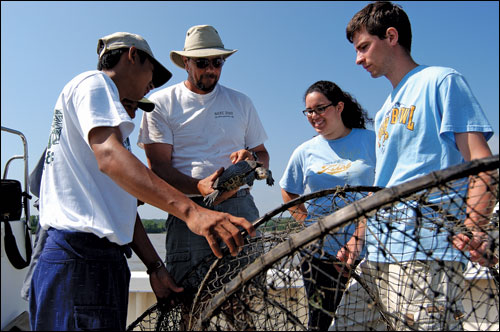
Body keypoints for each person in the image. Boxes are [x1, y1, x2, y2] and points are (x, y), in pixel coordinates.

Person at [29, 31, 255, 331]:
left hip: (103, 259)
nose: (152, 85)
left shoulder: (116, 142)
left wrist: (155, 266)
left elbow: (121, 207)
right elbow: (110, 157)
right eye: (152, 73)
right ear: (132, 56)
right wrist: (193, 211)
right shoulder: (93, 83)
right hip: (79, 256)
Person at [330, 2, 497, 330]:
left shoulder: (441, 81)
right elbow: (384, 185)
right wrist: (358, 238)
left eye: (364, 47)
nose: (358, 59)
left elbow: (481, 163)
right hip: (377, 252)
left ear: (391, 36)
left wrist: (475, 228)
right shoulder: (382, 111)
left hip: (425, 250)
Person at [137, 24, 270, 302]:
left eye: (217, 62)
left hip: (240, 205)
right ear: (186, 62)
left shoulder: (241, 102)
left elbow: (262, 154)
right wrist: (199, 187)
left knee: (247, 302)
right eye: (202, 62)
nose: (211, 69)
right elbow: (158, 168)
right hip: (187, 210)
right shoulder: (160, 102)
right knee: (190, 303)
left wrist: (252, 160)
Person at [279, 80, 375, 330]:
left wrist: (359, 237)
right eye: (309, 111)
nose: (314, 116)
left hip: (369, 250)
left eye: (320, 108)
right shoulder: (305, 151)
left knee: (370, 320)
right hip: (320, 255)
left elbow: (384, 187)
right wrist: (308, 225)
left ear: (339, 107)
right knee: (321, 323)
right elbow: (288, 190)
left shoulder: (371, 140)